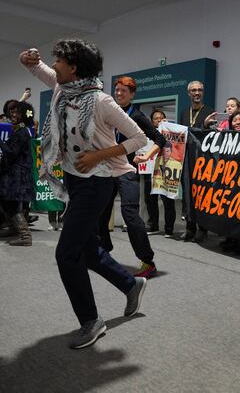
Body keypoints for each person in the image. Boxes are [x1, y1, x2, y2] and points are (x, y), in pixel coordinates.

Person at [20, 40, 148, 349]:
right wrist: (28, 60)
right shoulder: (64, 90)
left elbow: (138, 138)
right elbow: (38, 68)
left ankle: (91, 320)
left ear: (74, 67)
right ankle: (131, 284)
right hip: (76, 181)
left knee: (66, 254)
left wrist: (98, 155)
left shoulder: (102, 101)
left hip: (98, 181)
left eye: (59, 61)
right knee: (87, 249)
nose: (55, 65)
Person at [97, 76, 167, 279]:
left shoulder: (136, 115)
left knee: (130, 215)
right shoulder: (109, 112)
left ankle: (148, 261)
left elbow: (159, 138)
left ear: (132, 94)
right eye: (117, 90)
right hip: (107, 170)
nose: (119, 93)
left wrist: (147, 155)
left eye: (123, 91)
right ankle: (104, 252)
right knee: (101, 213)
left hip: (127, 171)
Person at [179, 80, 214, 243]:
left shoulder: (210, 111)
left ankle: (203, 229)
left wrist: (204, 124)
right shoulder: (184, 113)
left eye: (200, 90)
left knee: (202, 194)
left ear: (203, 92)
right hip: (186, 159)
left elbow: (211, 136)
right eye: (193, 90)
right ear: (189, 94)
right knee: (187, 194)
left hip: (202, 161)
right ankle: (189, 228)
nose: (197, 93)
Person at [0, 101, 35, 246]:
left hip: (17, 173)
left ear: (22, 116)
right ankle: (14, 228)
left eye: (16, 112)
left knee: (11, 203)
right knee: (8, 201)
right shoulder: (23, 130)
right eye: (12, 112)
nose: (12, 114)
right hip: (18, 172)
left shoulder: (21, 133)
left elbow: (11, 153)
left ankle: (25, 235)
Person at [219, 111, 240, 255]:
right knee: (230, 211)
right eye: (235, 120)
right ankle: (232, 238)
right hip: (230, 180)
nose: (238, 122)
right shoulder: (227, 137)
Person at [144, 109, 176, 237]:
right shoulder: (146, 133)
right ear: (151, 122)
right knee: (150, 200)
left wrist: (169, 127)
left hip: (165, 172)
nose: (158, 120)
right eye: (156, 118)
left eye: (161, 117)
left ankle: (169, 229)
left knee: (168, 201)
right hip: (149, 171)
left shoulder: (171, 132)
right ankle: (153, 226)